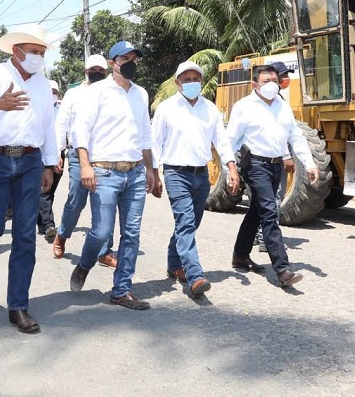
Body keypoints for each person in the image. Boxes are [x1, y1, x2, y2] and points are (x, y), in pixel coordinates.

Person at [0, 23, 58, 334]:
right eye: (34, 52)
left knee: (25, 236)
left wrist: (48, 164)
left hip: (30, 161)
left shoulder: (44, 85)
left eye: (43, 53)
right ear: (17, 52)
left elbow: (47, 127)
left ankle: (18, 305)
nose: (39, 58)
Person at [69, 40, 161, 311]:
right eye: (125, 58)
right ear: (113, 63)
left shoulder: (141, 93)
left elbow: (145, 134)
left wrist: (151, 170)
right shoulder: (96, 92)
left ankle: (122, 289)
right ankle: (85, 264)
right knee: (100, 232)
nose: (131, 63)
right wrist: (85, 166)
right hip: (104, 172)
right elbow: (80, 132)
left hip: (134, 173)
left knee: (131, 233)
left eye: (135, 58)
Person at [226, 65, 319, 288]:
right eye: (266, 80)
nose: (271, 85)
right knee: (270, 212)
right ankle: (283, 269)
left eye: (275, 80)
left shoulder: (283, 106)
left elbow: (295, 137)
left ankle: (240, 254)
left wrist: (309, 164)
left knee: (257, 211)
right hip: (255, 164)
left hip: (276, 165)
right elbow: (231, 140)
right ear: (255, 85)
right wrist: (231, 169)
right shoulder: (244, 107)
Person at [152, 61, 240, 296]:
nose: (192, 83)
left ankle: (174, 263)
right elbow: (155, 143)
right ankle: (195, 275)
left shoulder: (210, 108)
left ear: (201, 81)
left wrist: (231, 168)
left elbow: (221, 140)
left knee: (190, 223)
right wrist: (153, 174)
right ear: (177, 82)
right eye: (186, 79)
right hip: (175, 173)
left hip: (201, 175)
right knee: (186, 222)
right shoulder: (166, 108)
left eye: (195, 79)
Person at [52, 53, 116, 266]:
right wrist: (58, 153)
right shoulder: (74, 94)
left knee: (106, 203)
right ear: (86, 72)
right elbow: (62, 123)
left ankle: (105, 251)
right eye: (93, 70)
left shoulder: (113, 92)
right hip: (79, 155)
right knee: (76, 201)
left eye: (101, 70)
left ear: (106, 72)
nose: (97, 73)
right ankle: (62, 234)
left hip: (105, 155)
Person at [37, 80, 63, 242]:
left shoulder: (62, 110)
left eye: (55, 91)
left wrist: (59, 153)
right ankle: (48, 224)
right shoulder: (39, 109)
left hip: (59, 154)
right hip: (40, 154)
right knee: (44, 190)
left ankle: (41, 222)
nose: (52, 94)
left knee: (50, 190)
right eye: (50, 91)